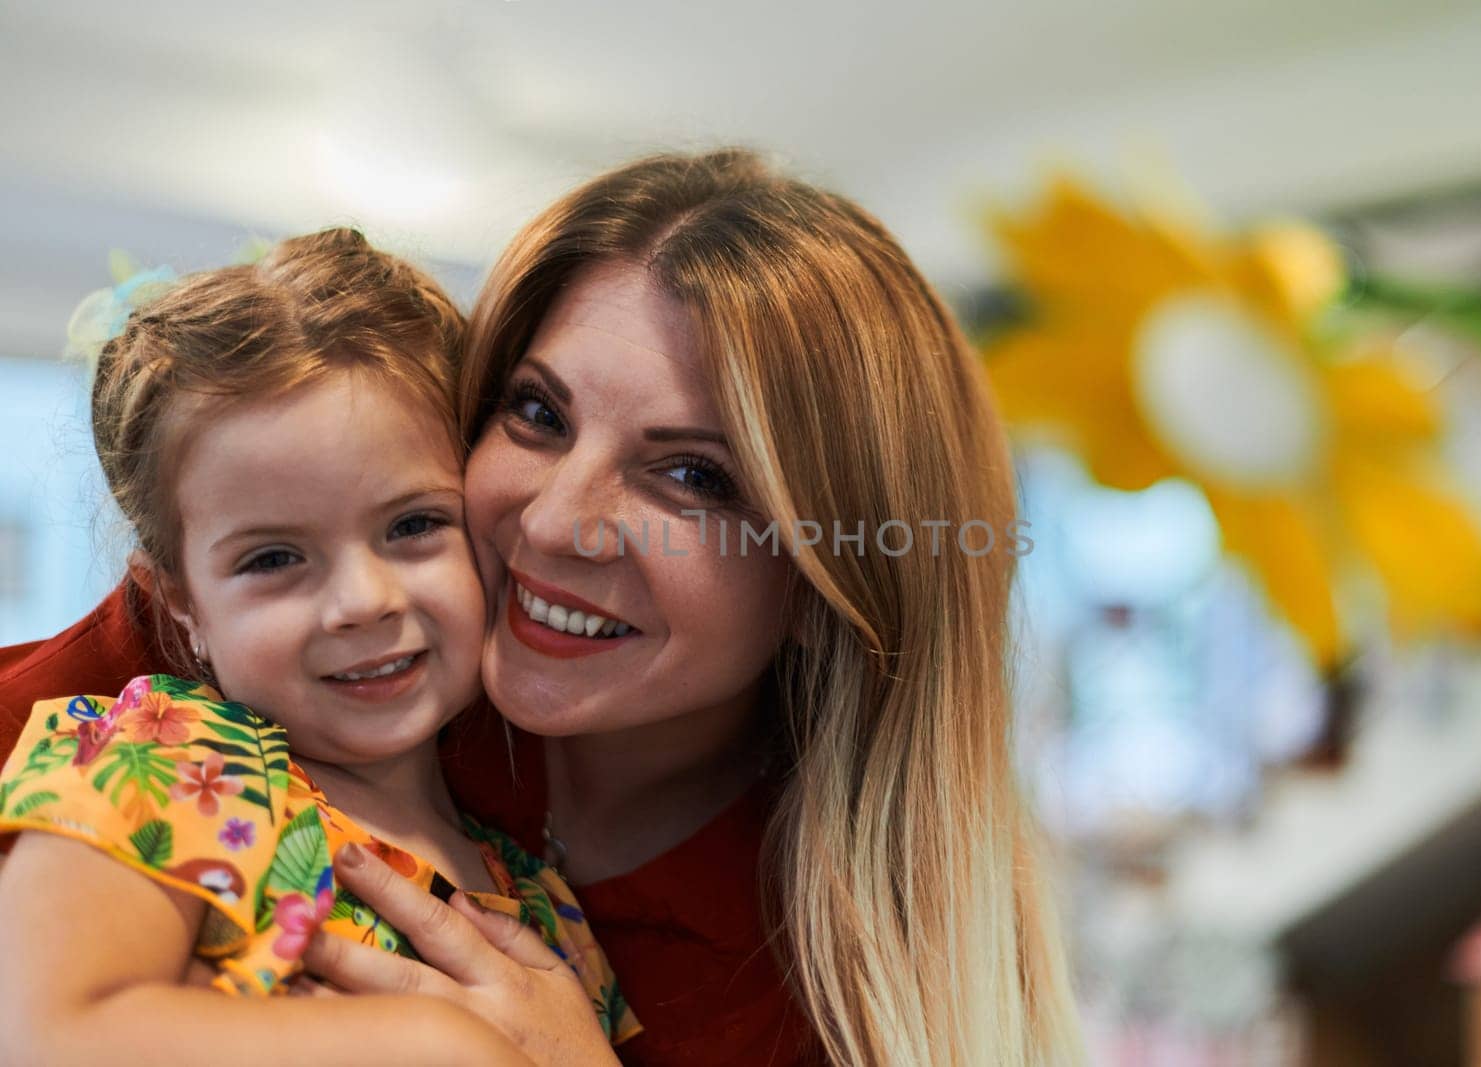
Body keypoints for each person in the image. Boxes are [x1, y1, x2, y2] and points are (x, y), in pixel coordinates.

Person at [0, 150, 1081, 1065]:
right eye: (536, 411)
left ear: (825, 586)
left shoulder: (778, 968)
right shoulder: (194, 708)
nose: (559, 523)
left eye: (695, 477)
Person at [0, 230, 636, 1065]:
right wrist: (437, 1041)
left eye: (414, 525)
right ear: (181, 602)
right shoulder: (169, 758)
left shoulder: (547, 910)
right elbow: (44, 1034)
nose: (362, 602)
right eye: (273, 558)